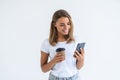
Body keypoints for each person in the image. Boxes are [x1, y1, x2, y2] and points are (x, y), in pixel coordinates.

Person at [40, 9, 85, 80]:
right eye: (62, 25)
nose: (66, 27)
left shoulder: (76, 40)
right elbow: (43, 69)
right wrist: (54, 61)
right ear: (54, 24)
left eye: (68, 24)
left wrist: (81, 60)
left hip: (75, 77)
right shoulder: (47, 43)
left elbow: (78, 67)